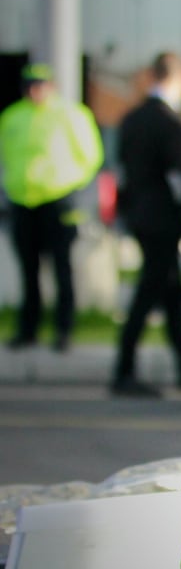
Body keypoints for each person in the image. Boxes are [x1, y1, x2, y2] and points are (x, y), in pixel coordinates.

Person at [111, 52, 181, 397]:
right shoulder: (170, 122)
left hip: (140, 216)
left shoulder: (131, 119)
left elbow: (122, 171)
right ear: (179, 79)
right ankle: (124, 369)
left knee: (171, 291)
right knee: (151, 291)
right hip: (162, 219)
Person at [0, 63, 103, 352]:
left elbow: (91, 157)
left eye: (40, 84)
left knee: (62, 269)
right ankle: (27, 330)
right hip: (22, 202)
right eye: (29, 84)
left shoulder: (71, 115)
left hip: (58, 202)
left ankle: (64, 330)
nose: (34, 90)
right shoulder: (11, 117)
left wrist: (70, 189)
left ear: (52, 86)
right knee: (28, 271)